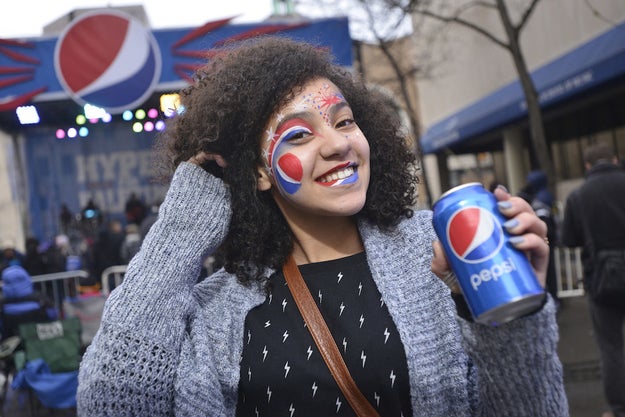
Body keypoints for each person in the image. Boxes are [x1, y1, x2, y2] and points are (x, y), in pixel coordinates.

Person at [77, 37, 567, 416]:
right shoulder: (216, 311)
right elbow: (110, 403)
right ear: (259, 172)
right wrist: (180, 233)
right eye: (300, 134)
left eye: (345, 121)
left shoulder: (441, 253)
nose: (337, 144)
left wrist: (512, 323)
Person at [561, 143, 625, 417]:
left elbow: (568, 240)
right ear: (615, 159)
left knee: (610, 346)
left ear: (586, 166)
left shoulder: (578, 197)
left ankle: (619, 407)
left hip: (601, 279)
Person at [525, 170, 560, 306]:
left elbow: (545, 222)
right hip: (548, 240)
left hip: (545, 240)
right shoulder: (545, 195)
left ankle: (553, 298)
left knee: (549, 271)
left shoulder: (541, 198)